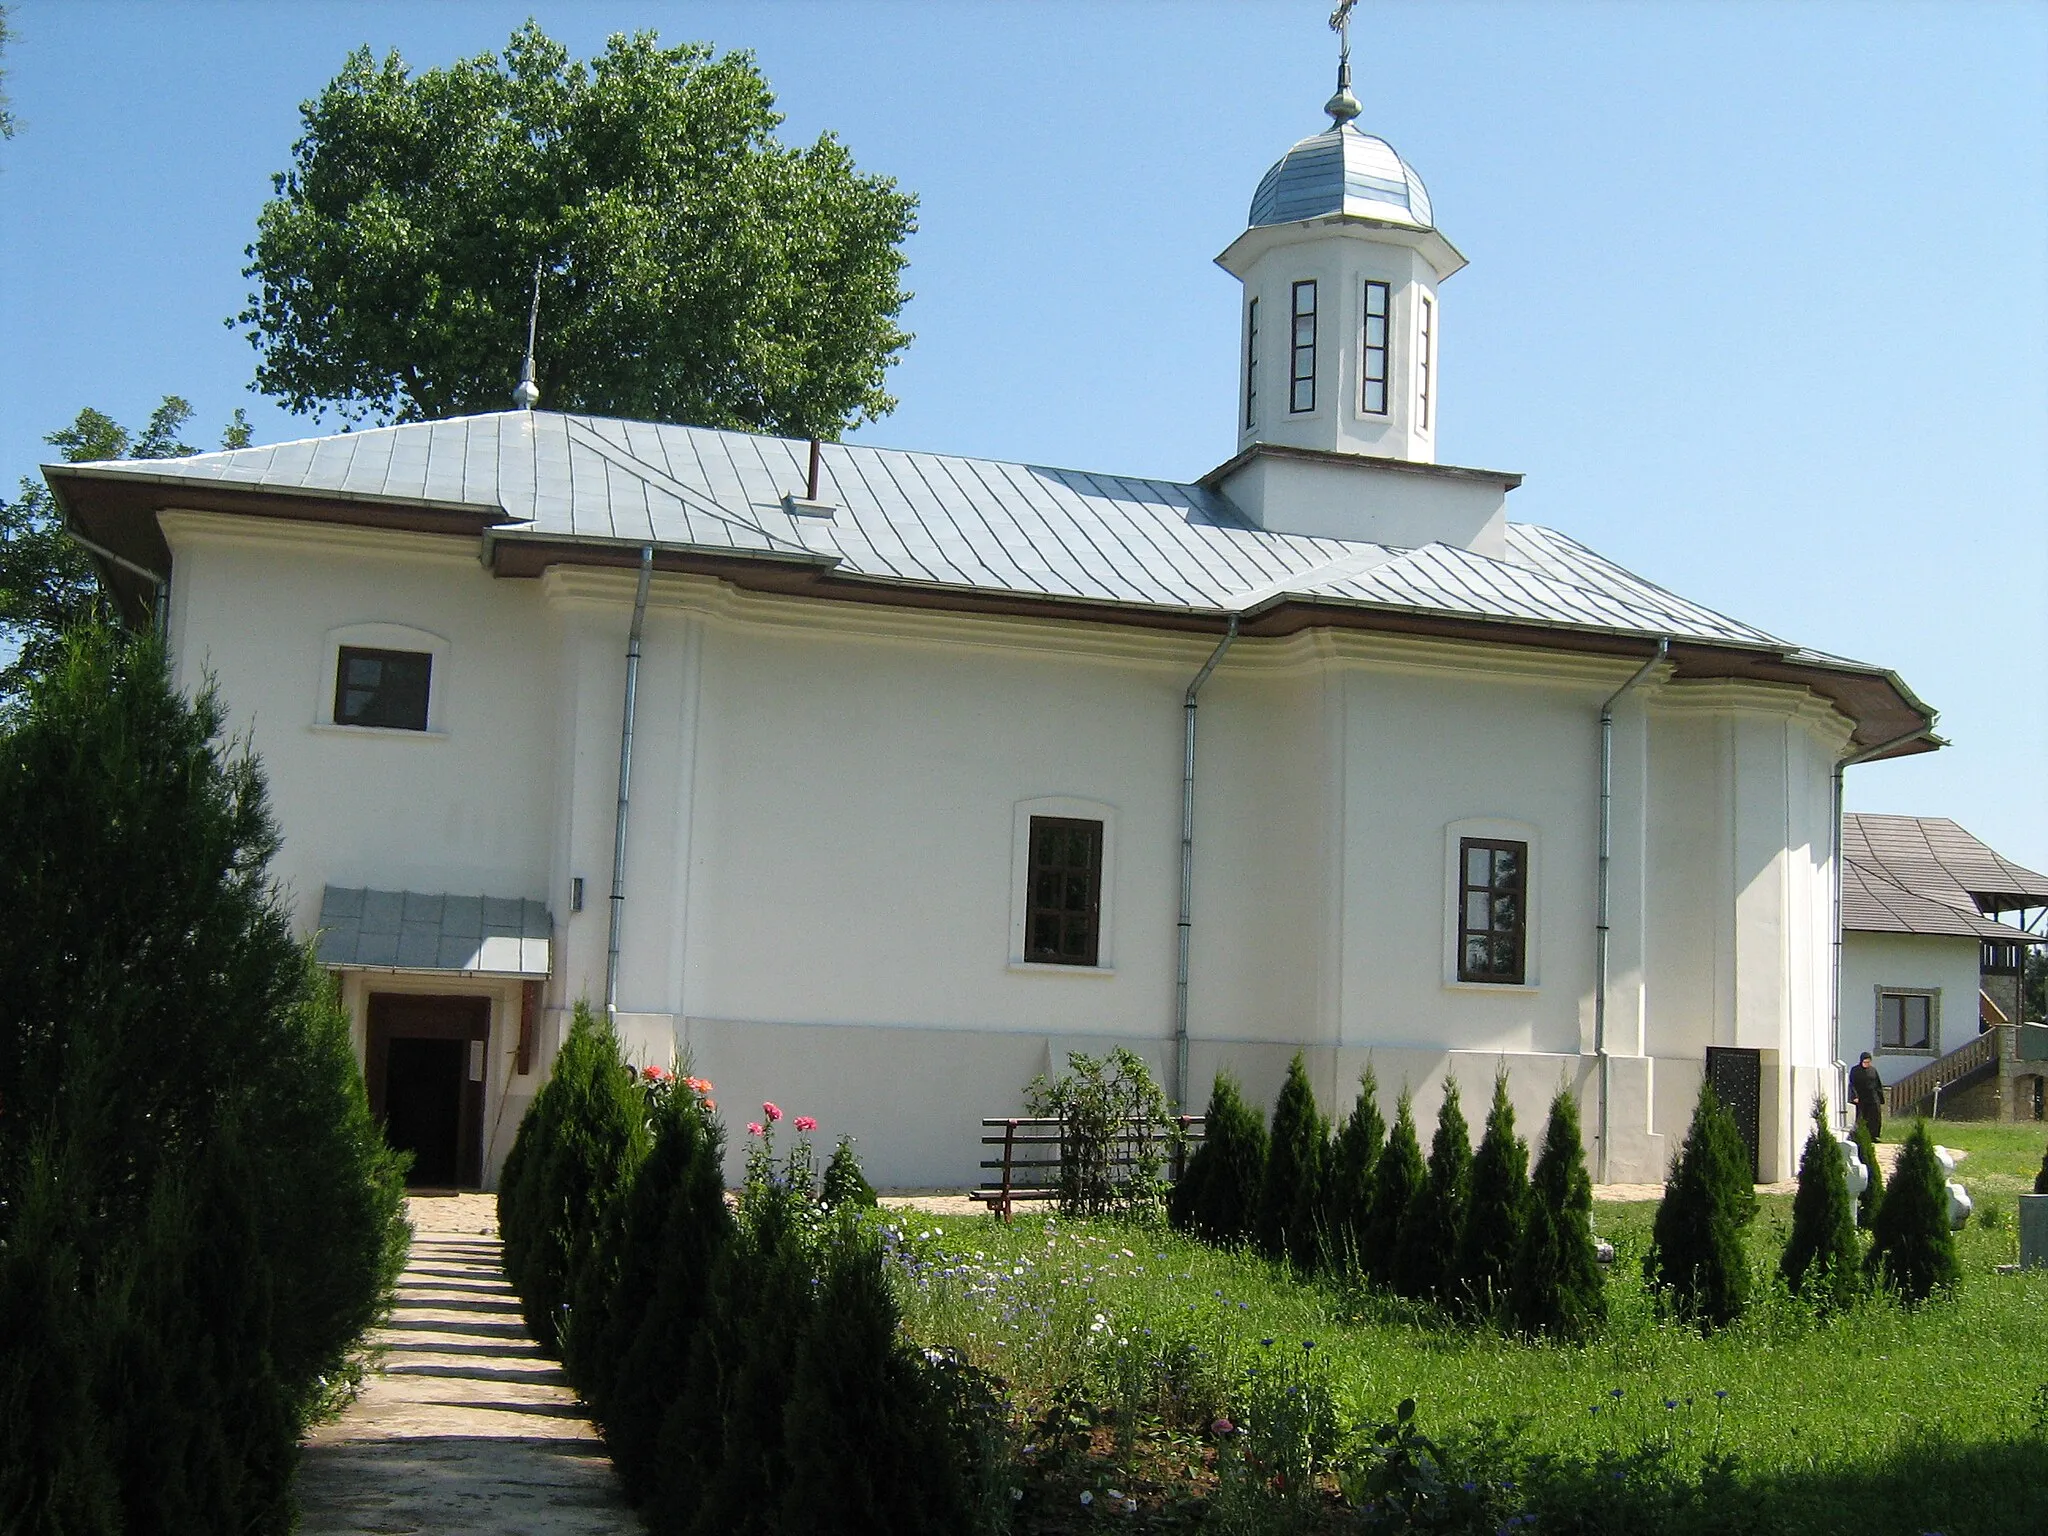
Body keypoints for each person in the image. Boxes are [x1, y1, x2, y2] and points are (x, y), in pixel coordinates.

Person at [1848, 1051, 1884, 1141]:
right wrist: (1854, 1096)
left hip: (1873, 1097)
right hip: (1861, 1098)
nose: (1867, 1064)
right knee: (1861, 1117)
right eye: (1865, 1062)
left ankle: (1874, 1136)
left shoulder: (1873, 1070)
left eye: (1868, 1062)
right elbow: (1852, 1084)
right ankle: (1860, 1135)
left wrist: (1880, 1097)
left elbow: (1878, 1084)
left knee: (1875, 1117)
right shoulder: (1855, 1070)